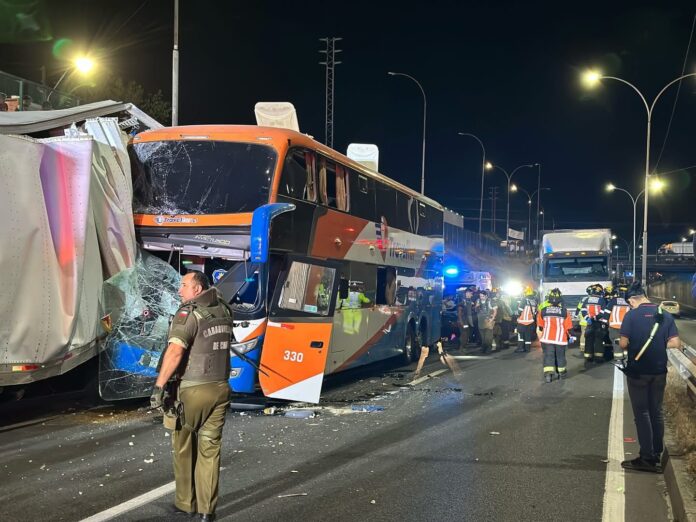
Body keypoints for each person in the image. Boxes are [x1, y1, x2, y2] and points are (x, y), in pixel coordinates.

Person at [150, 270, 233, 521]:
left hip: (192, 390)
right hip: (220, 388)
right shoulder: (223, 310)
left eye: (184, 285)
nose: (179, 290)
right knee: (210, 450)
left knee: (183, 446)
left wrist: (158, 388)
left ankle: (186, 503)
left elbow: (175, 352)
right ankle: (207, 510)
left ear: (197, 289)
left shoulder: (189, 313)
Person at [619, 282, 681, 473]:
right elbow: (675, 343)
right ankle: (656, 453)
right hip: (659, 371)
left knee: (642, 413)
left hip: (638, 372)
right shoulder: (665, 315)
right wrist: (658, 345)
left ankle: (646, 458)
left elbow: (623, 343)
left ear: (632, 300)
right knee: (656, 411)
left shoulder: (631, 316)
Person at [536, 288, 573, 382]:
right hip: (560, 340)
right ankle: (561, 374)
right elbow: (568, 327)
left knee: (548, 356)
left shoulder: (543, 310)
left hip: (547, 339)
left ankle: (548, 375)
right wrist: (570, 336)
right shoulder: (564, 311)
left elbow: (540, 326)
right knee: (560, 356)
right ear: (560, 300)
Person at [580, 284, 606, 364]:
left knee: (589, 339)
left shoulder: (587, 300)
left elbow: (583, 311)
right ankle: (598, 357)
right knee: (598, 339)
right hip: (598, 322)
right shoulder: (601, 300)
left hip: (589, 323)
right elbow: (603, 312)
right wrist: (595, 317)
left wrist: (588, 318)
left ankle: (588, 357)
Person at [602, 284, 630, 360]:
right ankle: (627, 357)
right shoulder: (629, 301)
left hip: (614, 326)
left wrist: (604, 323)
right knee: (626, 341)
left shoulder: (613, 301)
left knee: (616, 342)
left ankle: (618, 359)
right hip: (626, 327)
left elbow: (607, 312)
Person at [515, 286, 538, 353]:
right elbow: (536, 312)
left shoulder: (524, 300)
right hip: (531, 322)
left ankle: (520, 348)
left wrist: (517, 315)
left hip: (522, 322)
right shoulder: (534, 301)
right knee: (528, 336)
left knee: (520, 336)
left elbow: (520, 311)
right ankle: (527, 349)